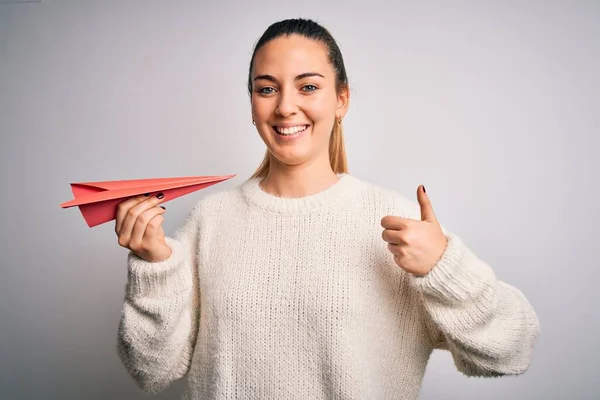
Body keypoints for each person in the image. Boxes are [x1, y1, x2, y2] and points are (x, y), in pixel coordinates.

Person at [115, 18, 540, 399]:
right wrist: (154, 268)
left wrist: (443, 267)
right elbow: (152, 371)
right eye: (267, 88)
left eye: (308, 86)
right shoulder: (210, 221)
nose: (284, 106)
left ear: (341, 100)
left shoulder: (392, 221)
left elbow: (511, 350)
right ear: (252, 105)